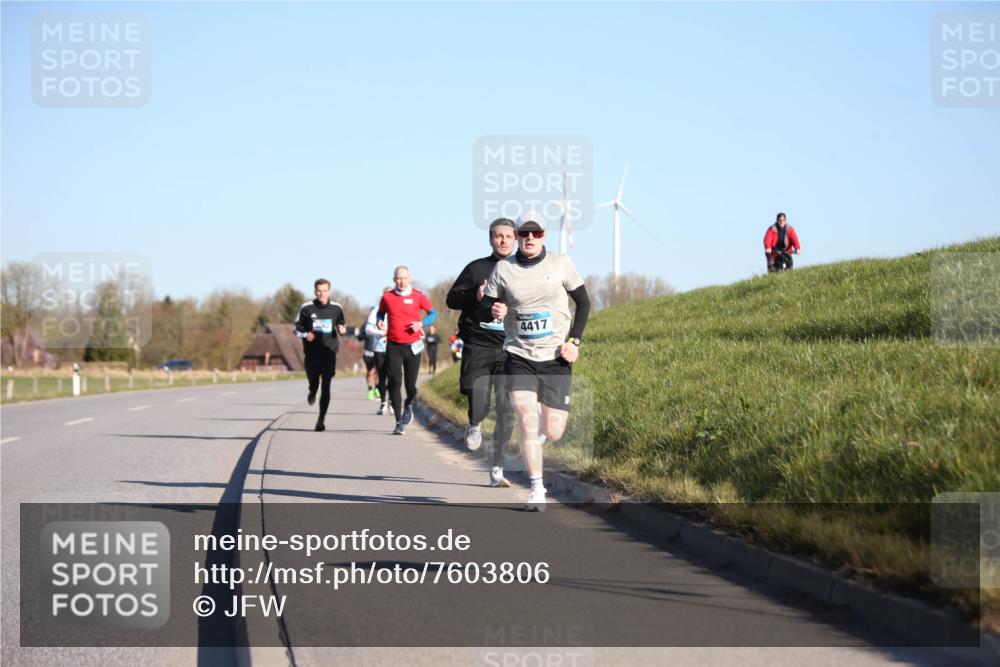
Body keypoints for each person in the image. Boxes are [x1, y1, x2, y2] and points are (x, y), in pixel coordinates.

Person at [482, 212, 591, 510]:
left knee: (553, 431)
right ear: (517, 236)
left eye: (536, 233)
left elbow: (583, 302)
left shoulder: (560, 264)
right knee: (527, 418)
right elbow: (487, 303)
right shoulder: (504, 269)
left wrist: (574, 341)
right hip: (519, 355)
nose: (530, 238)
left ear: (544, 235)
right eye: (524, 234)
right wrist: (494, 310)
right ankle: (537, 488)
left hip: (555, 357)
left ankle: (538, 445)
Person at [446, 217, 517, 487]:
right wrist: (474, 296)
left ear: (515, 239)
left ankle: (497, 468)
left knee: (506, 408)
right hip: (478, 343)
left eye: (508, 236)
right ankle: (474, 423)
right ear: (491, 239)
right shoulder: (477, 268)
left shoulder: (520, 269)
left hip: (510, 346)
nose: (503, 241)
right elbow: (451, 299)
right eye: (498, 236)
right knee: (480, 399)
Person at [377, 266, 437, 435]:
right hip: (393, 345)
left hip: (413, 346)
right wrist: (380, 322)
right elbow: (380, 314)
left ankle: (409, 404)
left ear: (409, 278)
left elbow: (433, 314)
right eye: (398, 278)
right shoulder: (387, 297)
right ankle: (398, 422)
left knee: (410, 386)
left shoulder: (418, 296)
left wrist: (421, 323)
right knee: (395, 383)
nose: (401, 281)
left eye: (404, 278)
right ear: (393, 279)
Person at [293, 278, 346, 432]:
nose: (322, 294)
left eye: (325, 291)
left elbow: (341, 324)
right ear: (315, 291)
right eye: (319, 291)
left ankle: (321, 420)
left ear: (329, 291)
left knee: (327, 385)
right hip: (311, 353)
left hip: (329, 352)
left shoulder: (337, 308)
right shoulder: (306, 308)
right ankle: (312, 391)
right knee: (314, 383)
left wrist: (342, 330)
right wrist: (305, 335)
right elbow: (295, 329)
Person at [364, 288, 392, 416]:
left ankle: (392, 402)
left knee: (394, 376)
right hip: (379, 348)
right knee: (381, 376)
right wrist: (381, 332)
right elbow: (368, 329)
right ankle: (383, 403)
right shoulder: (376, 310)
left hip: (395, 347)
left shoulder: (398, 307)